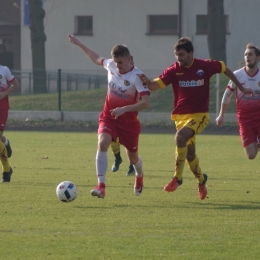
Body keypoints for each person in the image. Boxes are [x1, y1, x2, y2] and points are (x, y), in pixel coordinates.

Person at [138, 37, 254, 200]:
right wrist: (146, 81)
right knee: (190, 155)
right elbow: (154, 86)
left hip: (199, 116)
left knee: (180, 138)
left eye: (182, 54)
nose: (179, 58)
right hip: (180, 118)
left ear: (191, 53)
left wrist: (240, 87)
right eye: (177, 55)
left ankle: (177, 178)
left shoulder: (204, 66)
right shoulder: (173, 70)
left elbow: (225, 69)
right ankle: (201, 181)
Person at [68, 34, 150, 198]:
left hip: (128, 123)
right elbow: (96, 58)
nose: (118, 66)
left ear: (129, 59)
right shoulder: (111, 65)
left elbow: (146, 102)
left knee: (133, 158)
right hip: (109, 117)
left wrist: (124, 109)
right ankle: (101, 186)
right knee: (103, 143)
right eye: (116, 62)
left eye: (121, 62)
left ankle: (139, 176)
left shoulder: (137, 77)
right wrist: (79, 43)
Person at [216, 43, 260, 160]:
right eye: (245, 54)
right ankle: (256, 141)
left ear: (258, 58)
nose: (247, 57)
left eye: (250, 54)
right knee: (251, 155)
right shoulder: (237, 75)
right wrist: (221, 115)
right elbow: (227, 95)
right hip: (245, 119)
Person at [0, 64, 19, 182]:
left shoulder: (4, 70)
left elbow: (16, 85)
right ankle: (5, 143)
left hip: (2, 107)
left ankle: (6, 170)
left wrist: (4, 93)